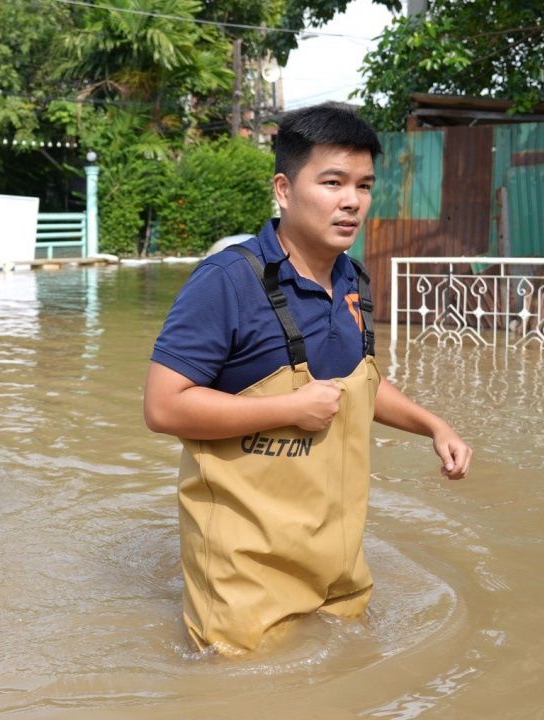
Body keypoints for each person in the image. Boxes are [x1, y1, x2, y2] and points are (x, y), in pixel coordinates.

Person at [143, 103, 472, 653]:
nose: (352, 201)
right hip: (245, 573)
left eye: (364, 185)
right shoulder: (227, 281)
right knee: (239, 689)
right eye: (332, 182)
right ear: (284, 189)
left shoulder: (353, 280)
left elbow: (360, 384)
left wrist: (434, 426)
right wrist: (287, 409)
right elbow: (162, 406)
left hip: (338, 565)